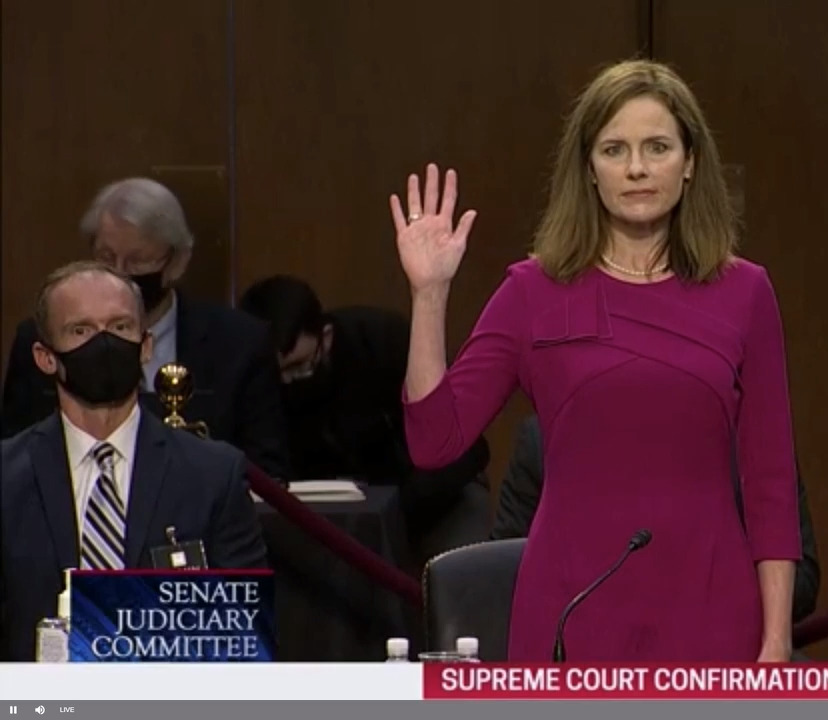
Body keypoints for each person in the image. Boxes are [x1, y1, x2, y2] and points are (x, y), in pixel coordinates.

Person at [394, 60, 801, 661]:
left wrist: (776, 637)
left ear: (690, 164)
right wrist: (429, 295)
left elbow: (771, 483)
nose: (636, 167)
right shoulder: (533, 292)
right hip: (570, 608)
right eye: (615, 149)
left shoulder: (745, 292)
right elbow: (434, 440)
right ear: (588, 168)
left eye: (657, 147)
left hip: (712, 607)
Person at [0, 262, 267, 661]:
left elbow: (246, 637)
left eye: (120, 327)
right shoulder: (7, 478)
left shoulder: (213, 475)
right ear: (44, 357)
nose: (104, 342)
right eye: (81, 330)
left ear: (145, 347)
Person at [1, 178, 291, 480]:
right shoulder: (40, 339)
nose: (119, 273)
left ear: (176, 262)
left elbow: (267, 473)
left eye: (137, 261)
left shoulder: (240, 344)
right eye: (106, 257)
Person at [238, 274, 492, 558]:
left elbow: (463, 446)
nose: (289, 382)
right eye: (278, 374)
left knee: (459, 559)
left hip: (432, 495)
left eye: (299, 366)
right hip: (326, 516)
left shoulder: (382, 339)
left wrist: (394, 511)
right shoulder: (256, 378)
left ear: (326, 337)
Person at [492, 414, 822, 622]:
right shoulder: (544, 441)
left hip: (716, 660)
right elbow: (500, 580)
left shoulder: (753, 441)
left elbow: (803, 582)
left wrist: (703, 584)